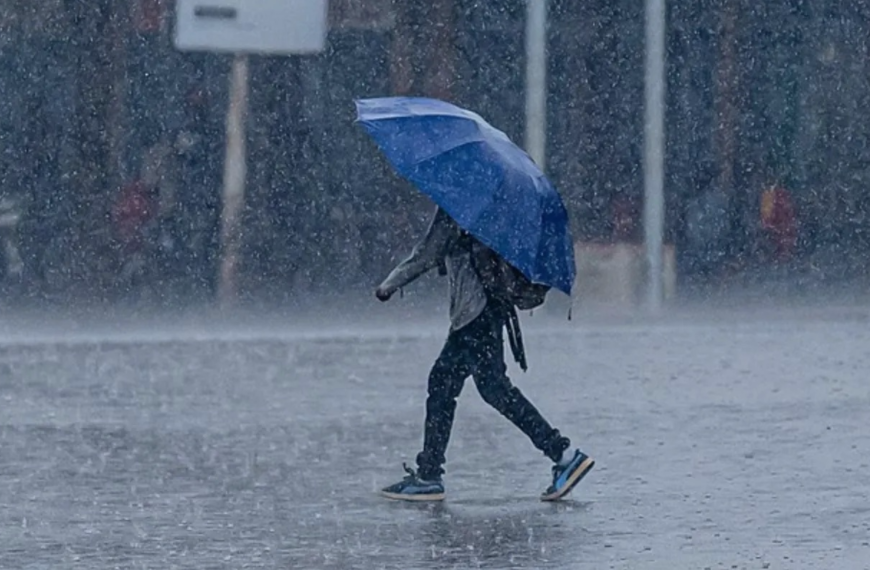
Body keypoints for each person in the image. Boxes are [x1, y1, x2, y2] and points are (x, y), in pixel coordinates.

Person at [375, 206, 594, 501]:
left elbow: (427, 253)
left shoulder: (458, 206)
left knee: (474, 387)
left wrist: (389, 284)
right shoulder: (492, 208)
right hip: (488, 310)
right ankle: (430, 472)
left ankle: (563, 454)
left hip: (473, 314)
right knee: (466, 386)